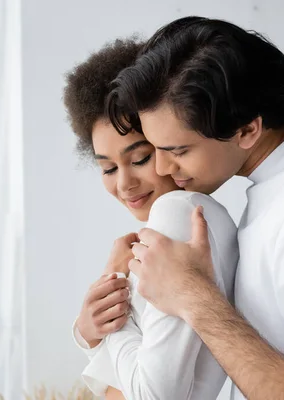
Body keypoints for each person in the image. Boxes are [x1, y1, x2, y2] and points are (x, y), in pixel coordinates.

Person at [106, 16, 284, 400]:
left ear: (247, 130)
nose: (161, 168)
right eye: (154, 149)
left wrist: (193, 297)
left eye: (177, 150)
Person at [63, 38, 239, 400]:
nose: (124, 184)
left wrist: (117, 308)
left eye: (139, 158)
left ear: (166, 143)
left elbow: (153, 395)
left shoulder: (177, 213)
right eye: (108, 168)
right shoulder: (174, 221)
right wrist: (89, 331)